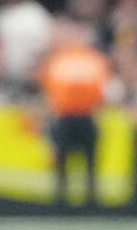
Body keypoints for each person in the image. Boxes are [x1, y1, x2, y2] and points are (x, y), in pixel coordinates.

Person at [39, 25, 113, 205]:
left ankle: (90, 197)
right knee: (62, 158)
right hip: (66, 116)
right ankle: (61, 198)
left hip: (85, 115)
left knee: (90, 159)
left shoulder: (92, 60)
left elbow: (102, 89)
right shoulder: (61, 60)